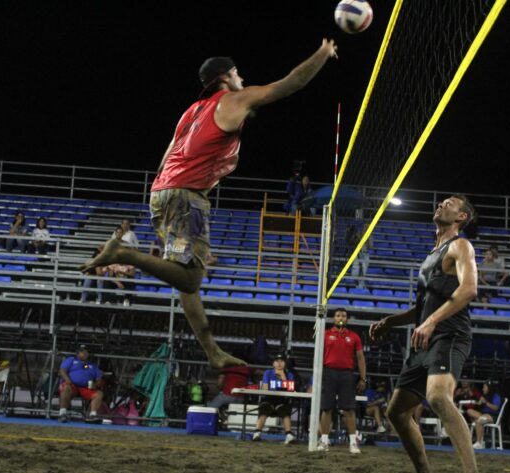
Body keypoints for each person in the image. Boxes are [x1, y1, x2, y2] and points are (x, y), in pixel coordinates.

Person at [80, 39, 338, 369]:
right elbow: (291, 83)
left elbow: (166, 157)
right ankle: (124, 253)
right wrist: (322, 53)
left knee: (183, 281)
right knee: (190, 280)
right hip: (187, 195)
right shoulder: (231, 100)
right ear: (225, 77)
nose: (242, 77)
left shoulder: (190, 112)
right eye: (237, 72)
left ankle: (212, 351)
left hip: (161, 192)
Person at [369, 194, 489, 473]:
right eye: (442, 202)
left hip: (449, 334)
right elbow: (421, 307)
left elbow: (470, 289)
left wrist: (431, 321)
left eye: (450, 203)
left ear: (461, 218)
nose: (441, 204)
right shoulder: (431, 255)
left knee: (437, 397)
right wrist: (391, 321)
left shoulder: (460, 245)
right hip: (424, 338)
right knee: (396, 413)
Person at [318, 308, 367, 454]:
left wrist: (363, 378)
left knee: (349, 409)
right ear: (333, 318)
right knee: (327, 408)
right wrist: (318, 376)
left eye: (344, 316)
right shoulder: (325, 334)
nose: (341, 317)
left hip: (347, 375)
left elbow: (360, 358)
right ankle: (324, 440)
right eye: (338, 315)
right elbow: (319, 355)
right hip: (328, 373)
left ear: (347, 319)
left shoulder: (354, 337)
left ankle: (353, 443)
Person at [252, 353, 296, 444]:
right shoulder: (268, 373)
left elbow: (291, 389)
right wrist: (282, 385)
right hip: (268, 399)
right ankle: (257, 433)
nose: (279, 364)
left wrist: (283, 376)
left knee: (285, 412)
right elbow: (265, 389)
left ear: (285, 363)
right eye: (277, 361)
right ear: (273, 364)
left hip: (282, 400)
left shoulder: (289, 374)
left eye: (282, 361)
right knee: (264, 410)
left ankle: (288, 434)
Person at [57, 345, 105, 424]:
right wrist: (67, 380)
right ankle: (62, 414)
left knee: (99, 394)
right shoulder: (71, 360)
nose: (85, 353)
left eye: (86, 352)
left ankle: (93, 415)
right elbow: (62, 370)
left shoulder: (93, 365)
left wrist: (95, 385)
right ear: (78, 353)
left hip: (85, 388)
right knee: (66, 388)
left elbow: (100, 380)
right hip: (72, 385)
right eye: (82, 352)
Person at [466, 381, 502, 449]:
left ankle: (479, 443)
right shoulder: (485, 395)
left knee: (479, 421)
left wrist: (485, 402)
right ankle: (482, 419)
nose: (483, 389)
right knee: (469, 411)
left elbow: (495, 408)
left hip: (492, 415)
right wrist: (478, 402)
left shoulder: (496, 396)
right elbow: (479, 404)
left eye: (484, 387)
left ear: (489, 388)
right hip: (483, 414)